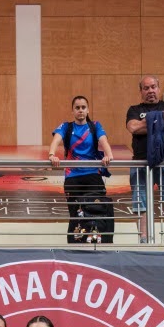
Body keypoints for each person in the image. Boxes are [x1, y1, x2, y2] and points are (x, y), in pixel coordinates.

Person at [125, 76, 164, 244]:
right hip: (140, 163)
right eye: (146, 88)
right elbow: (133, 127)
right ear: (141, 91)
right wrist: (161, 120)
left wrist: (147, 121)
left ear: (159, 89)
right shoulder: (134, 109)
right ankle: (144, 240)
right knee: (141, 203)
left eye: (153, 87)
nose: (150, 91)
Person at [49, 95, 115, 245]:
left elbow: (103, 140)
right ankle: (74, 248)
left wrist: (108, 155)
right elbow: (56, 140)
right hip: (73, 178)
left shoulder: (95, 126)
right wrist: (52, 155)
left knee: (97, 211)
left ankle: (98, 247)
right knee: (76, 215)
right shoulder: (66, 127)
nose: (80, 110)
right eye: (77, 108)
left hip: (93, 176)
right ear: (72, 111)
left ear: (88, 110)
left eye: (83, 107)